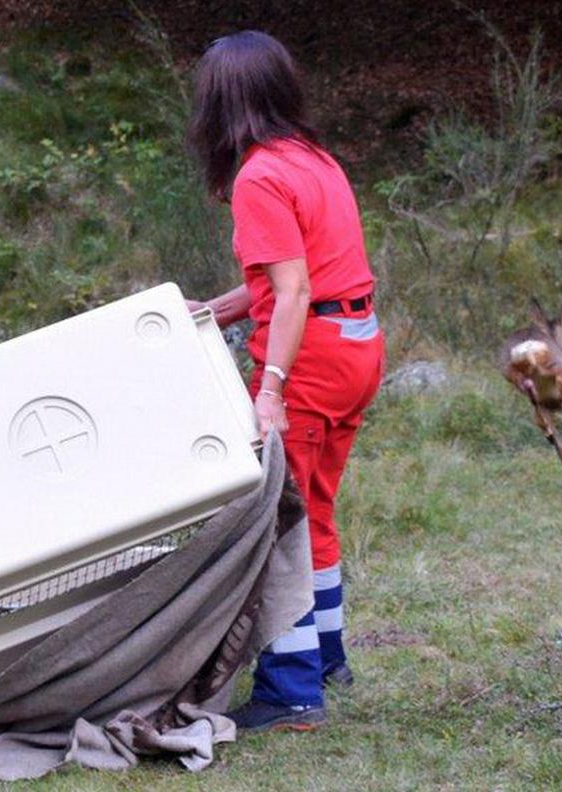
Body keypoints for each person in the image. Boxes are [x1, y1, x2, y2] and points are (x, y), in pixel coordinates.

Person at [185, 31, 384, 732]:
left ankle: (292, 690)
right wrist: (216, 308)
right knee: (317, 506)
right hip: (358, 346)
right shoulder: (315, 159)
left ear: (221, 101)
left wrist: (269, 389)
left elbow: (294, 292)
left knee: (273, 516)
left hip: (310, 361)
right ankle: (328, 653)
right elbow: (298, 276)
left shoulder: (260, 176)